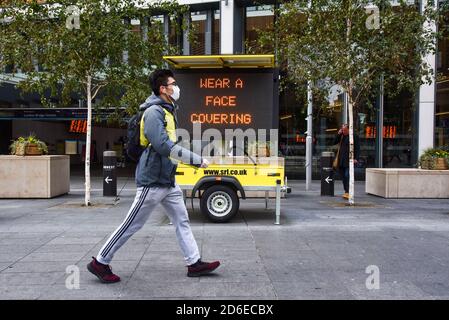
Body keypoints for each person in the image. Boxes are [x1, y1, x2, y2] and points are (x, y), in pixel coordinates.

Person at [87, 69, 220, 283]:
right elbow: (162, 145)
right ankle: (100, 262)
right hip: (152, 181)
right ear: (162, 88)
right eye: (173, 84)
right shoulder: (153, 112)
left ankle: (194, 263)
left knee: (181, 220)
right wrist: (195, 159)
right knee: (132, 224)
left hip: (167, 180)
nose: (177, 88)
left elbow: (172, 145)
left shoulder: (168, 111)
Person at [333, 124, 360, 199]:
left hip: (350, 160)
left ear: (349, 129)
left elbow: (357, 148)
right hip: (341, 160)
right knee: (343, 177)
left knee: (347, 175)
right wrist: (338, 134)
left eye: (345, 130)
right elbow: (334, 142)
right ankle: (346, 191)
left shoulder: (354, 136)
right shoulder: (341, 135)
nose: (343, 131)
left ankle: (349, 191)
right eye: (342, 129)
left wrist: (356, 158)